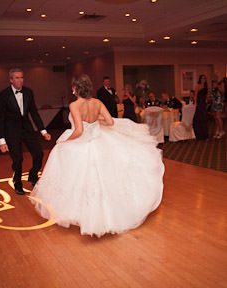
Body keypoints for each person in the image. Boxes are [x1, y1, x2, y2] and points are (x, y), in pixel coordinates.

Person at [31, 74, 163, 237]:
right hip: (99, 140)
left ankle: (82, 214)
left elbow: (79, 130)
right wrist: (95, 121)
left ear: (75, 89)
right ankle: (106, 215)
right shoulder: (97, 102)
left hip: (82, 145)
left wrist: (64, 142)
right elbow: (110, 122)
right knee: (103, 180)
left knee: (77, 181)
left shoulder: (74, 105)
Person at [0, 68, 52, 195]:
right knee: (17, 159)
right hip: (11, 131)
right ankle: (17, 182)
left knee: (38, 153)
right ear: (11, 80)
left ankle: (33, 175)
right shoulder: (3, 95)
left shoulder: (28, 92)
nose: (20, 80)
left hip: (27, 129)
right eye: (17, 78)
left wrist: (43, 131)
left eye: (22, 77)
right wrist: (2, 140)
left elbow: (34, 113)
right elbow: (0, 118)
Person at [193, 75, 209, 140]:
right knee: (199, 119)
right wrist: (196, 104)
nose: (203, 79)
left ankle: (205, 135)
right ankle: (199, 135)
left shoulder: (206, 86)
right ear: (200, 79)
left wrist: (207, 100)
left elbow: (206, 95)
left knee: (204, 119)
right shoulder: (197, 86)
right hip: (199, 104)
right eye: (202, 78)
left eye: (204, 78)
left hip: (203, 104)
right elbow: (195, 96)